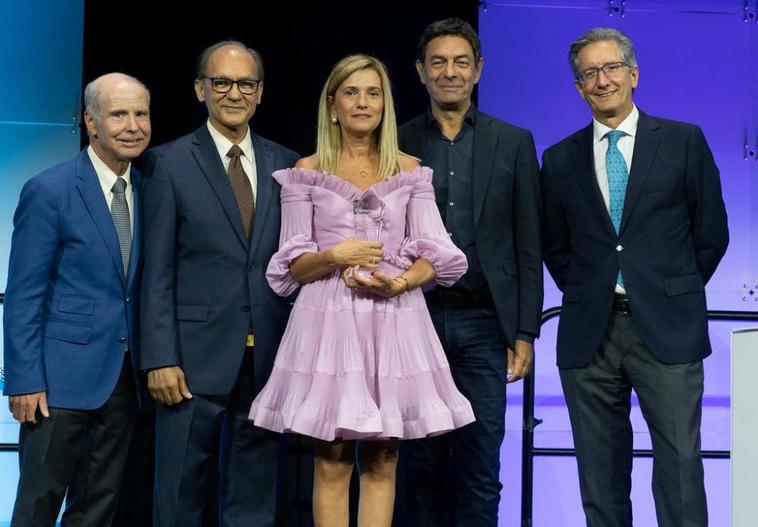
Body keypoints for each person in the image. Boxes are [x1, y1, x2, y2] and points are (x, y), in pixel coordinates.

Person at [248, 54, 474, 527]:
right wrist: (335, 256)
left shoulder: (411, 170)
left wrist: (401, 282)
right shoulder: (306, 170)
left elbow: (440, 256)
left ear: (385, 105)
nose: (362, 102)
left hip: (394, 319)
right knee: (330, 457)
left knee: (382, 457)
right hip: (328, 322)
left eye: (373, 93)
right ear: (332, 104)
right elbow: (290, 268)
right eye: (350, 92)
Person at [541, 27, 729, 527]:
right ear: (578, 87)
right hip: (590, 336)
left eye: (610, 68)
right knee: (599, 479)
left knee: (681, 470)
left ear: (633, 74)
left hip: (668, 327)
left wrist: (668, 288)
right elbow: (555, 246)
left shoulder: (684, 140)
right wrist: (591, 294)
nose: (602, 81)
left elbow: (712, 233)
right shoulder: (558, 159)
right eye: (588, 74)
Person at [139, 41, 298, 526]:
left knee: (253, 498)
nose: (234, 93)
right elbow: (156, 271)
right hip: (191, 360)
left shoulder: (287, 164)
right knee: (181, 495)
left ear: (260, 92)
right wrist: (161, 357)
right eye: (221, 83)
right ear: (199, 89)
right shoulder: (166, 162)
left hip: (267, 359)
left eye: (245, 83)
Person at [395, 18, 543, 526]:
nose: (450, 72)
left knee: (481, 464)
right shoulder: (397, 141)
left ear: (478, 70)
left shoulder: (514, 142)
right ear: (420, 71)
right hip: (413, 320)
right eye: (438, 62)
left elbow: (529, 244)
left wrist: (525, 331)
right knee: (417, 464)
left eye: (461, 62)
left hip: (484, 325)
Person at [3, 72, 150, 526]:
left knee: (97, 508)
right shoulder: (51, 189)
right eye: (119, 114)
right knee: (38, 505)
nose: (133, 126)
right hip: (56, 384)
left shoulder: (150, 189)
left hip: (122, 381)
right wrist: (24, 380)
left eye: (141, 114)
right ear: (91, 121)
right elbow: (24, 293)